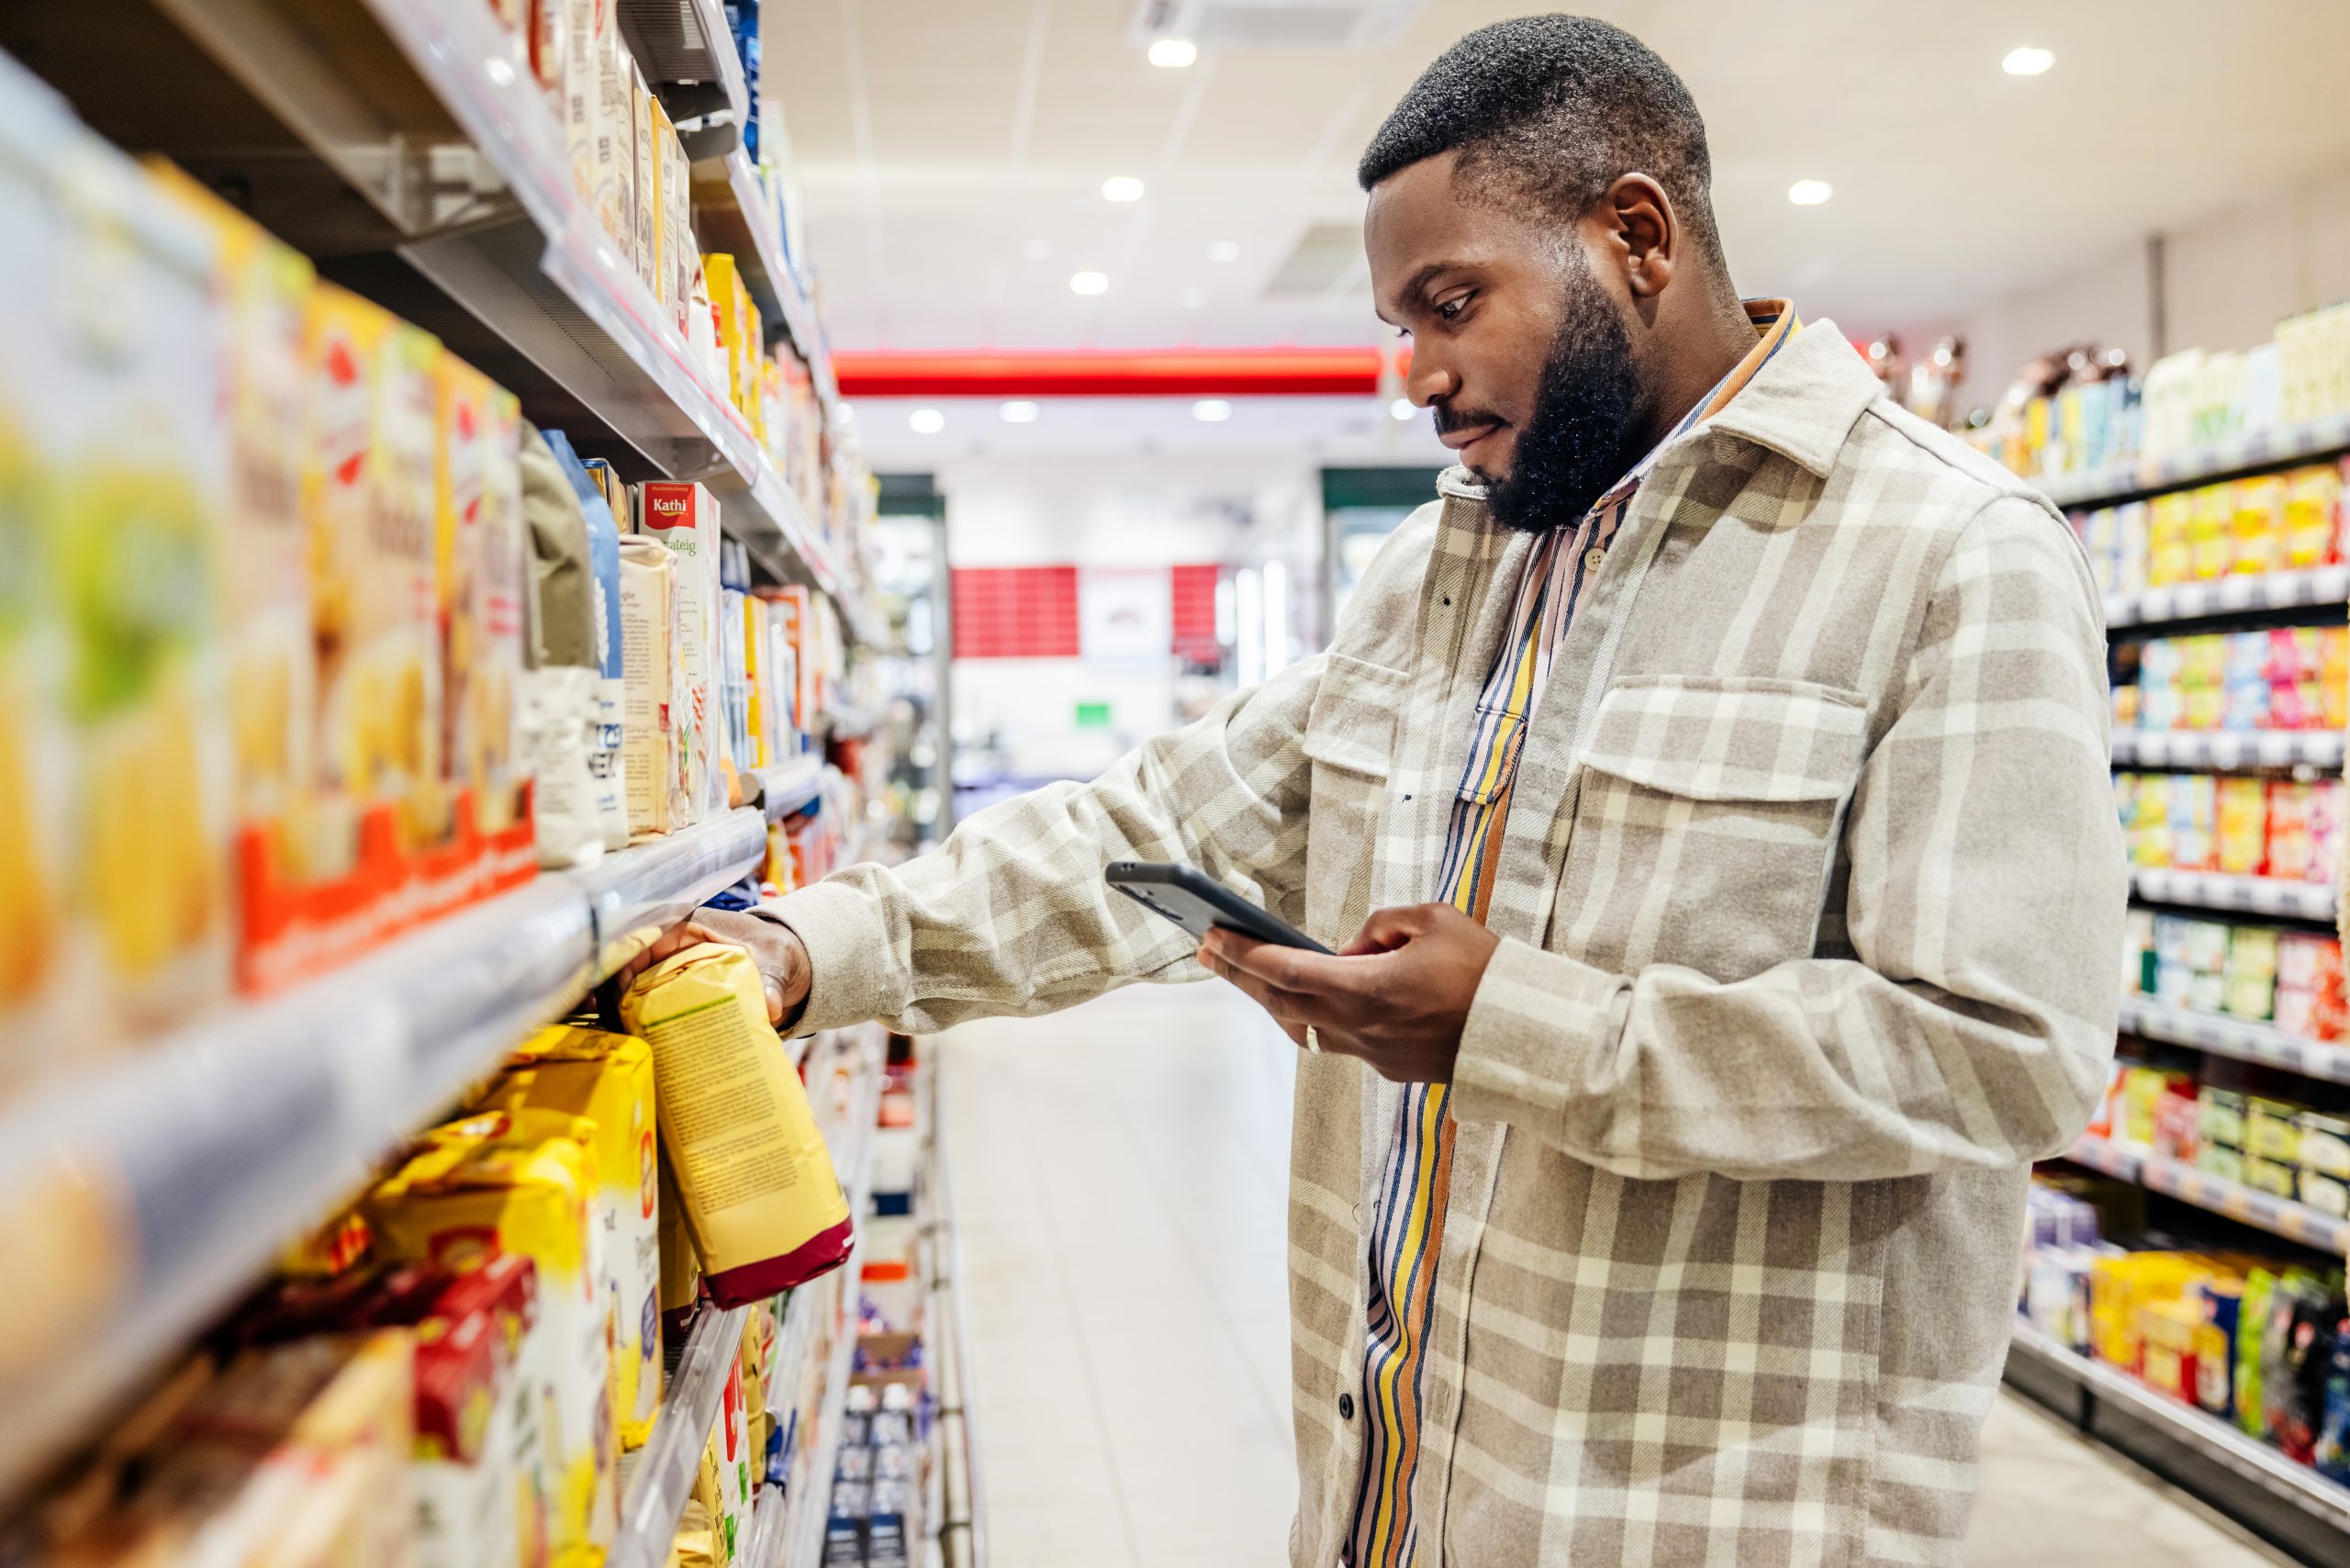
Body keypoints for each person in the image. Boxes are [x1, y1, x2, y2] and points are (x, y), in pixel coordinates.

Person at [632, 15, 2125, 1565]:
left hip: (1699, 1521)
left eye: (1450, 301)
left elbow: (2006, 1050)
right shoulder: (1441, 568)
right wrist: (814, 949)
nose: (1411, 370)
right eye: (1395, 318)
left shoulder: (1952, 551)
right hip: (1394, 1503)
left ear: (1634, 234)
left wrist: (1511, 1026)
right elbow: (1153, 829)